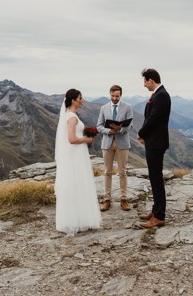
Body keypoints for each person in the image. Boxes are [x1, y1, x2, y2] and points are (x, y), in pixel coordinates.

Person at [55, 88, 102, 236]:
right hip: (76, 155)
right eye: (80, 98)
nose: (82, 100)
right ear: (74, 100)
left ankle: (77, 219)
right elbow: (72, 139)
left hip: (76, 154)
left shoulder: (70, 115)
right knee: (77, 184)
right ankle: (76, 220)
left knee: (77, 184)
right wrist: (87, 139)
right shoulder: (72, 117)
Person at [137, 69, 171, 228]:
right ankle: (156, 210)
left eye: (144, 81)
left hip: (156, 143)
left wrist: (141, 133)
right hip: (154, 141)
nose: (144, 85)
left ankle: (159, 216)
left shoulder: (161, 95)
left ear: (151, 80)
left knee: (156, 179)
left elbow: (154, 119)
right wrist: (145, 136)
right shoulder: (158, 94)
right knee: (154, 178)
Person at [96, 84, 135, 212]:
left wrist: (120, 129)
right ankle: (107, 200)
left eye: (117, 96)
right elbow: (99, 126)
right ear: (110, 94)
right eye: (112, 96)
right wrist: (109, 131)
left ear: (120, 95)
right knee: (107, 172)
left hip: (122, 143)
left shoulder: (128, 107)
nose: (114, 98)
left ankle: (123, 200)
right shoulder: (103, 108)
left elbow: (130, 126)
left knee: (123, 172)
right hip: (107, 143)